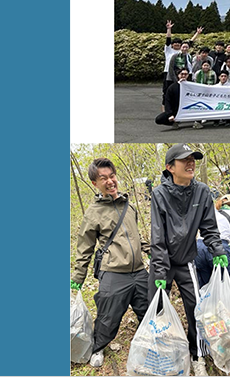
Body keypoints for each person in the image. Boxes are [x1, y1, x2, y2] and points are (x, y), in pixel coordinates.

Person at [149, 144, 229, 376]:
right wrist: (161, 272)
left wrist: (218, 250)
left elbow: (209, 228)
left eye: (193, 158)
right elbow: (158, 236)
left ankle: (197, 355)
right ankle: (162, 354)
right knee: (157, 308)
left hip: (186, 261)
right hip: (161, 263)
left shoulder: (202, 191)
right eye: (185, 160)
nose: (191, 163)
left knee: (196, 308)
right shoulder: (159, 194)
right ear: (170, 167)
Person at [71, 158, 150, 368]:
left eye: (112, 176)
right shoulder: (93, 212)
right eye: (103, 178)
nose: (110, 181)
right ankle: (98, 347)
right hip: (113, 272)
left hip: (140, 271)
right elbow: (84, 247)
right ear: (95, 183)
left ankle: (148, 342)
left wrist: (156, 252)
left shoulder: (129, 206)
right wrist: (78, 277)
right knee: (108, 316)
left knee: (151, 308)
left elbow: (137, 238)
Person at [193, 193, 230, 291]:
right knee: (226, 287)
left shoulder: (210, 213)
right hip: (219, 248)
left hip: (199, 247)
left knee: (205, 288)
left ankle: (207, 305)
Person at [162, 22, 201, 109]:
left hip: (181, 73)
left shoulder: (183, 52)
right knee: (166, 93)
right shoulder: (169, 50)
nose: (176, 44)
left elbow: (189, 43)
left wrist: (197, 33)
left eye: (178, 44)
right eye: (175, 43)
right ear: (172, 45)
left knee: (181, 92)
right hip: (168, 73)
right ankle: (166, 112)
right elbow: (168, 39)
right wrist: (169, 29)